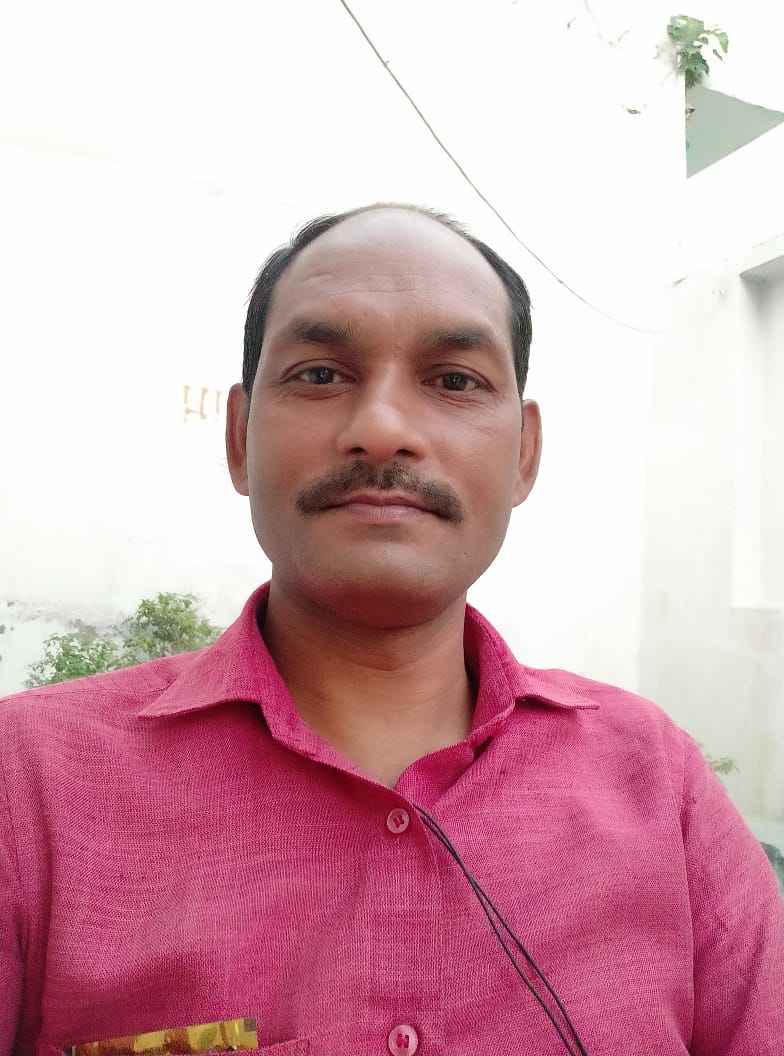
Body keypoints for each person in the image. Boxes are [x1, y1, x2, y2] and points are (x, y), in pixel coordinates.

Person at [1, 204, 782, 1056]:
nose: (381, 428)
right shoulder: (27, 786)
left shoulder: (657, 782)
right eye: (320, 374)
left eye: (454, 381)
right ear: (238, 439)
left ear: (524, 455)